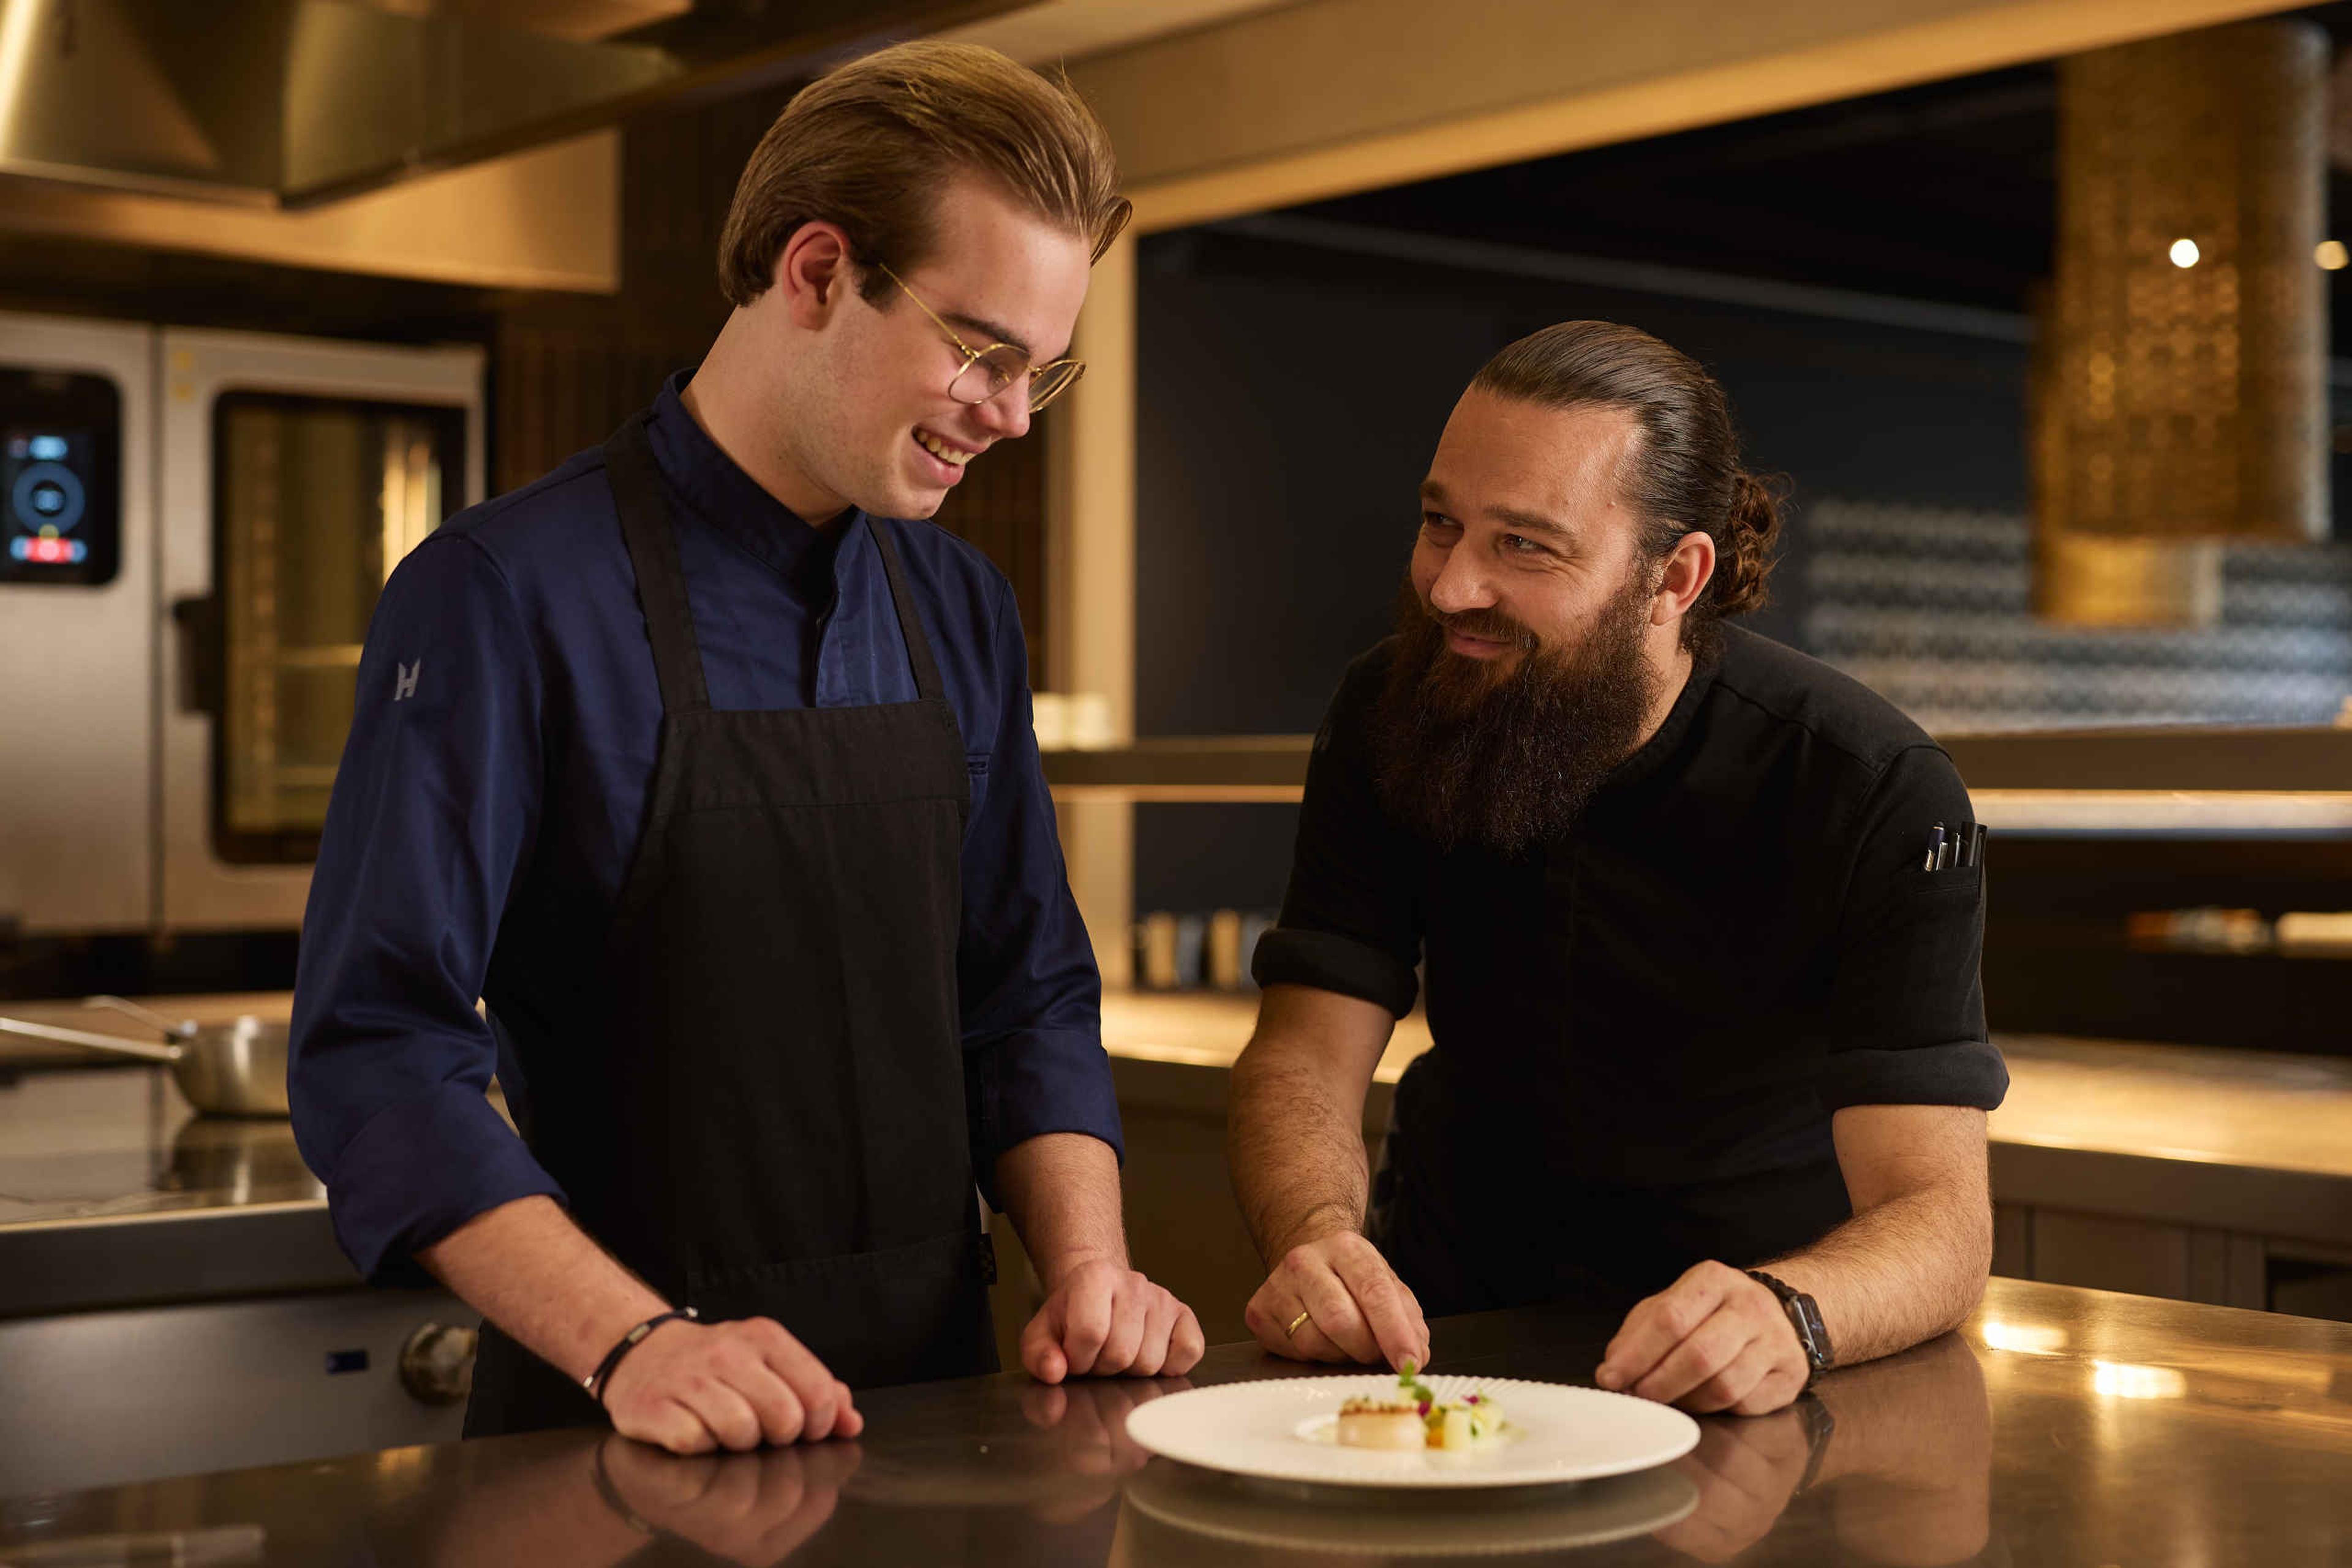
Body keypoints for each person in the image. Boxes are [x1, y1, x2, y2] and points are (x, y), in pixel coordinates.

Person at [290, 40, 1201, 1455]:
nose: (1014, 415)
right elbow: (378, 1048)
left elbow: (1026, 992)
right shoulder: (503, 594)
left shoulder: (960, 605)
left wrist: (1089, 1266)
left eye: (1043, 369)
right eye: (981, 351)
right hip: (620, 1435)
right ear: (818, 271)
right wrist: (636, 1343)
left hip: (939, 1436)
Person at [1227, 320, 2007, 1416]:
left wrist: (1794, 1311)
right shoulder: (1393, 706)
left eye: (1524, 546)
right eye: (1442, 524)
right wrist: (1317, 1239)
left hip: (1740, 1363)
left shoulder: (1870, 784)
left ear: (1673, 576)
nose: (1451, 588)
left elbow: (1941, 1218)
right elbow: (1304, 1055)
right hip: (1444, 1329)